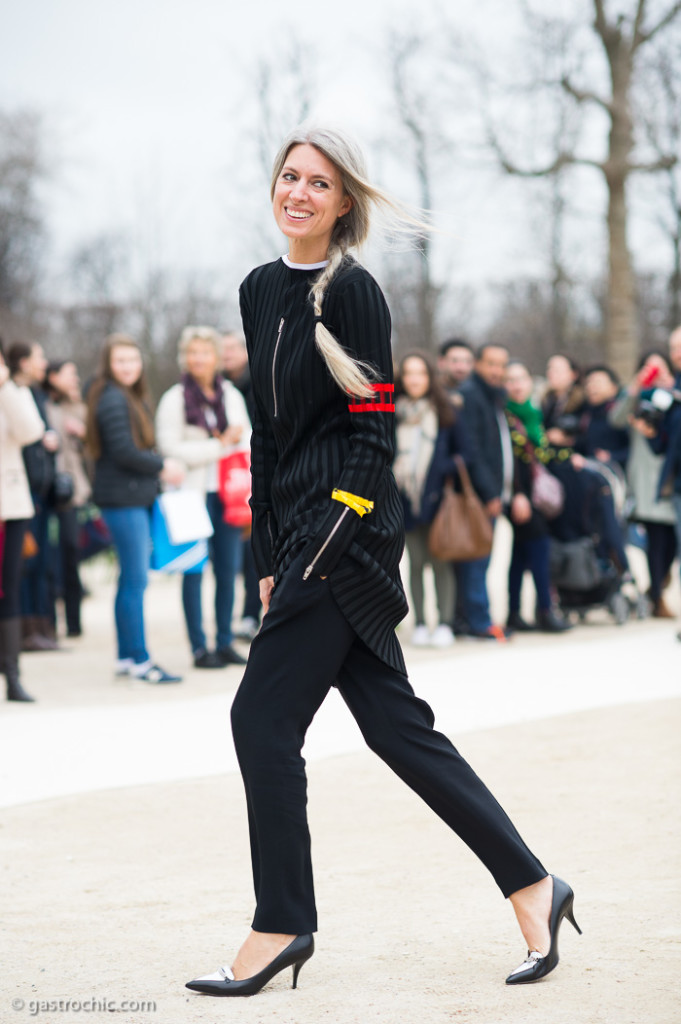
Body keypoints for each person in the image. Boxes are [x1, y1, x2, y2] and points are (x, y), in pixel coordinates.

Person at [186, 125, 579, 998]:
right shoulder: (256, 290)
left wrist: (317, 553)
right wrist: (264, 552)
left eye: (317, 184)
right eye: (289, 176)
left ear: (343, 203)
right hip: (294, 544)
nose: (298, 193)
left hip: (346, 548)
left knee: (260, 723)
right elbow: (266, 437)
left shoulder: (354, 295)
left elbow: (373, 441)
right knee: (400, 731)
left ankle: (281, 923)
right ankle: (533, 886)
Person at [85, 333, 185, 683]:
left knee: (129, 580)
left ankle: (127, 658)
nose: (128, 366)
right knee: (136, 582)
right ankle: (141, 660)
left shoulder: (123, 395)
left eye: (132, 360)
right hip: (123, 500)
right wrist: (162, 466)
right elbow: (123, 451)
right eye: (120, 361)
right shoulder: (113, 399)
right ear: (109, 365)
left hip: (127, 498)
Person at [156, 326, 251, 668]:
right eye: (192, 352)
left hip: (228, 493)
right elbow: (170, 448)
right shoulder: (173, 398)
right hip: (191, 495)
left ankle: (224, 640)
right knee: (193, 570)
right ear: (185, 357)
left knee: (228, 570)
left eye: (205, 352)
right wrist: (218, 446)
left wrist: (225, 445)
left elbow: (245, 439)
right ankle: (199, 647)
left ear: (216, 356)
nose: (199, 358)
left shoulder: (231, 394)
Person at [394, 350, 466, 647]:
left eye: (420, 373)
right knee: (415, 563)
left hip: (438, 501)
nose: (414, 379)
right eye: (409, 373)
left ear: (429, 377)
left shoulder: (446, 411)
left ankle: (445, 622)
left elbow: (465, 453)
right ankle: (421, 622)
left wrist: (439, 471)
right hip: (404, 499)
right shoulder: (393, 412)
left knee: (440, 563)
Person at [608, 351, 678, 618]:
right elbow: (615, 419)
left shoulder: (673, 393)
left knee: (670, 538)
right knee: (656, 537)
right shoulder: (635, 396)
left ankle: (657, 586)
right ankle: (657, 597)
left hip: (670, 472)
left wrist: (670, 387)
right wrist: (637, 387)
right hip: (644, 475)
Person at [504, 361, 571, 633]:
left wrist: (567, 454)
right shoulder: (506, 417)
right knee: (540, 547)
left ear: (530, 382)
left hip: (534, 492)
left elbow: (539, 456)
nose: (517, 385)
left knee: (520, 553)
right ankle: (545, 610)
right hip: (519, 494)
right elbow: (510, 461)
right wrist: (518, 495)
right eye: (511, 380)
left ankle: (514, 613)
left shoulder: (533, 413)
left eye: (521, 378)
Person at [457, 343, 514, 640]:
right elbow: (473, 452)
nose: (497, 371)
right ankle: (479, 623)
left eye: (502, 365)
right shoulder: (471, 395)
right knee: (477, 560)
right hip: (480, 497)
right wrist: (490, 493)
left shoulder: (492, 396)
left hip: (494, 494)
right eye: (491, 364)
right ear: (478, 364)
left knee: (483, 560)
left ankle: (475, 619)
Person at [7, 340, 61, 651]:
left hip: (37, 491)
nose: (43, 363)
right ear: (24, 362)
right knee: (25, 564)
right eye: (39, 357)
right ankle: (27, 631)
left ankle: (41, 628)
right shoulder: (13, 392)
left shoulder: (33, 393)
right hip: (20, 490)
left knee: (40, 562)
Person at [0, 339, 45, 701]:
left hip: (8, 505)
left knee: (7, 588)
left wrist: (5, 385)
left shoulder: (11, 392)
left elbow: (32, 432)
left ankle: (12, 677)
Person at [44, 359, 92, 638]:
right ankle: (48, 621)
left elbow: (91, 449)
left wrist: (83, 435)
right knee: (46, 558)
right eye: (69, 374)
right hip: (43, 490)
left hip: (71, 492)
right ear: (52, 376)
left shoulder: (79, 407)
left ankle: (74, 622)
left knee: (71, 552)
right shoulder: (41, 404)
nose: (75, 379)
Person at [221, 330, 261, 641]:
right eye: (222, 349)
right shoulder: (217, 388)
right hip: (225, 474)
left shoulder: (257, 379)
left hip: (253, 470)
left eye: (233, 348)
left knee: (253, 550)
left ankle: (251, 612)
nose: (227, 354)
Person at [541, 354, 586, 449]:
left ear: (573, 374)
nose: (551, 373)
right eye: (549, 369)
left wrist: (568, 440)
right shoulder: (546, 401)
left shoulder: (583, 400)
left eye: (557, 370)